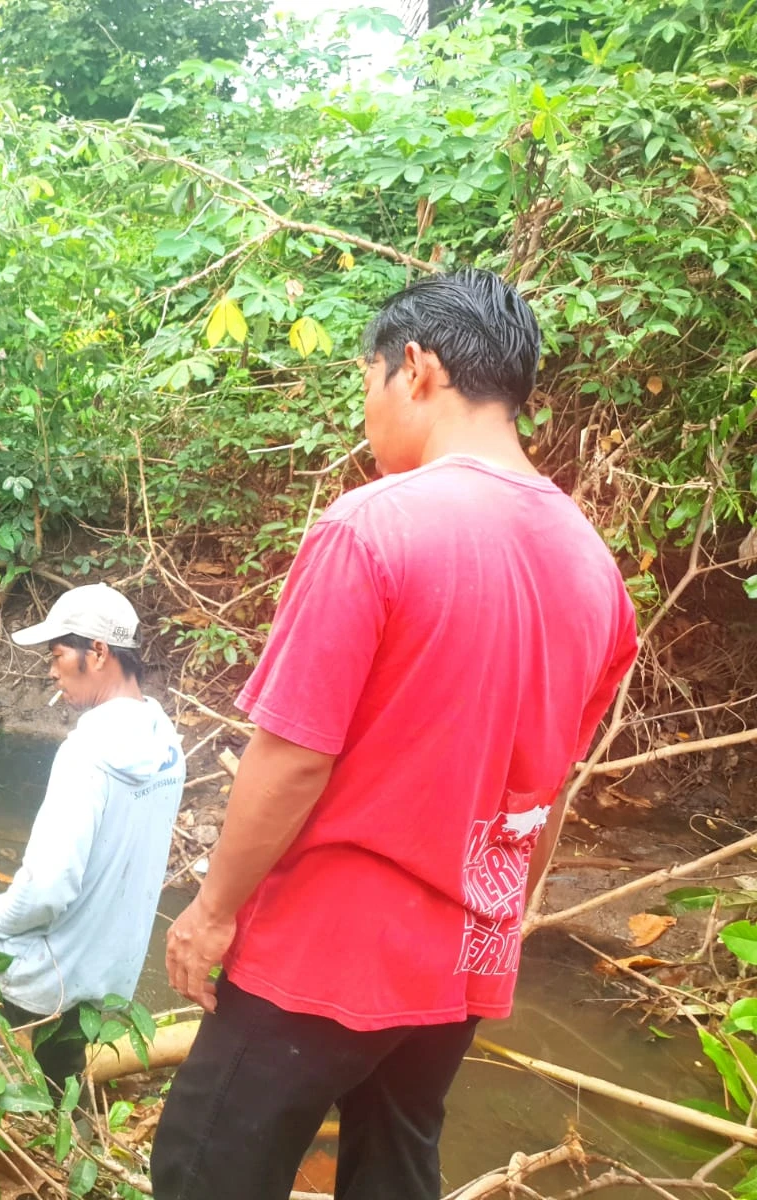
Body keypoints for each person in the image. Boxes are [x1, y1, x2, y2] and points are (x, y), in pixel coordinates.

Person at [152, 269, 638, 1200]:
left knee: (204, 1164)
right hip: (466, 952)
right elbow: (551, 787)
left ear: (414, 368)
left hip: (331, 948)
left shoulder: (373, 526)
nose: (365, 415)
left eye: (366, 383)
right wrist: (504, 926)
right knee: (394, 1159)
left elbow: (294, 756)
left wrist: (212, 911)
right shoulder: (592, 563)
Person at [0, 583, 186, 1090]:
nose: (52, 670)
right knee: (61, 1097)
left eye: (58, 654)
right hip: (104, 985)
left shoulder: (87, 753)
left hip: (41, 985)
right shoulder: (165, 743)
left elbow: (47, 889)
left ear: (97, 652)